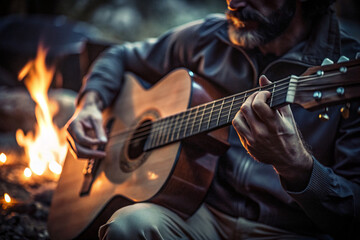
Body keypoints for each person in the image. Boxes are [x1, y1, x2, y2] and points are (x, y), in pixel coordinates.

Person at [66, 0, 360, 239]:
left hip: (290, 230)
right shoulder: (208, 37)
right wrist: (90, 104)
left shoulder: (345, 69)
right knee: (129, 228)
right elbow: (119, 56)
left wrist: (297, 166)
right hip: (198, 216)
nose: (233, 2)